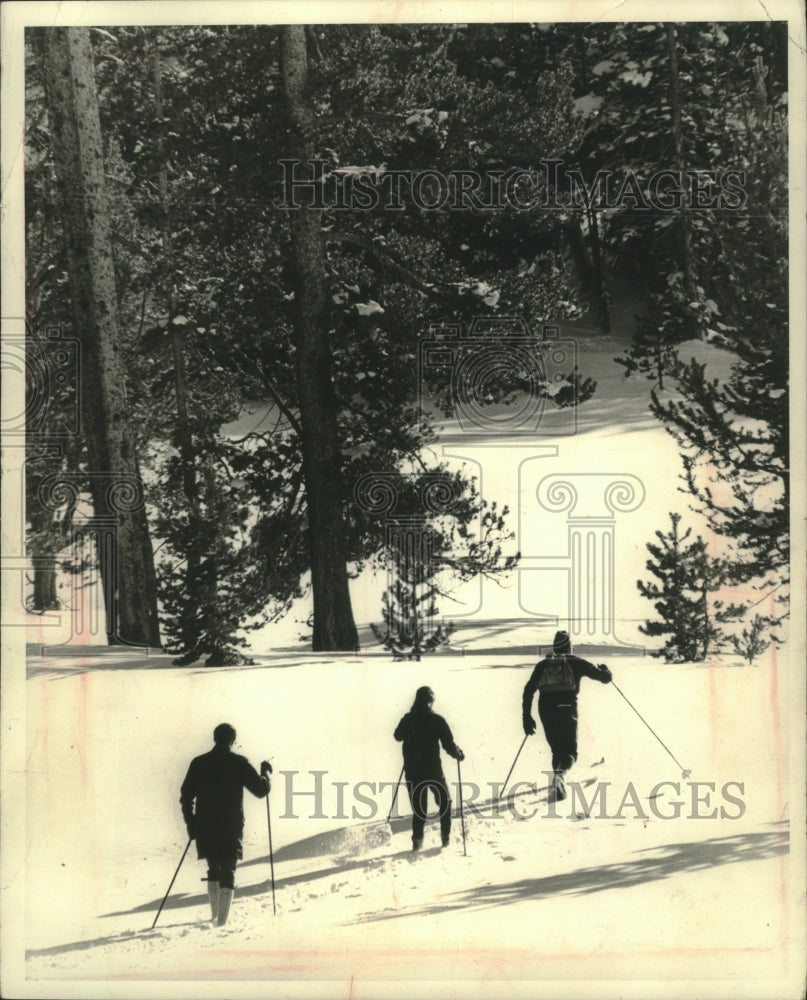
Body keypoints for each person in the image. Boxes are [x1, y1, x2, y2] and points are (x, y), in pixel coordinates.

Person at [180, 723, 271, 927]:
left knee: (213, 868)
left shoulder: (199, 763)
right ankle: (221, 925)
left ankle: (214, 918)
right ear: (232, 741)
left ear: (214, 738)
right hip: (230, 827)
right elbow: (260, 791)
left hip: (205, 827)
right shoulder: (239, 763)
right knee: (228, 870)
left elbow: (185, 797)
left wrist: (191, 824)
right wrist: (265, 774)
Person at [522, 631, 612, 802]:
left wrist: (526, 716)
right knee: (570, 752)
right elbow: (605, 678)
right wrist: (605, 670)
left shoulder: (543, 666)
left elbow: (528, 690)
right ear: (569, 646)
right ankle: (561, 778)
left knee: (556, 750)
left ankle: (559, 787)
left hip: (545, 710)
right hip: (567, 708)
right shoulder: (576, 663)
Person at [394, 686, 464, 851]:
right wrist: (458, 754)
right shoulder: (437, 720)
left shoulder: (409, 718)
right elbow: (448, 745)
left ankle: (417, 843)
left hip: (413, 770)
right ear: (430, 702)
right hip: (433, 770)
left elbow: (397, 736)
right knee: (445, 803)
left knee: (420, 809)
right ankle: (445, 840)